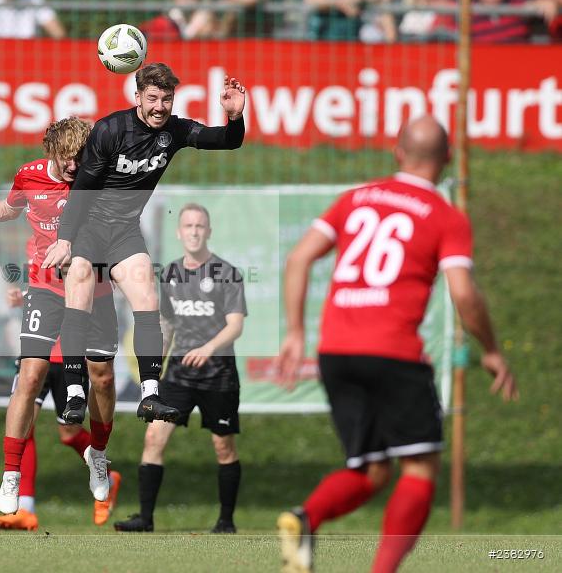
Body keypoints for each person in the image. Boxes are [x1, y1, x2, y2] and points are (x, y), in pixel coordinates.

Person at [274, 115, 518, 573]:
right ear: (448, 159)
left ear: (397, 152)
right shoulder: (446, 215)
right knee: (420, 468)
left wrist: (294, 332)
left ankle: (305, 518)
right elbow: (463, 292)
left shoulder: (355, 199)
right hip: (394, 352)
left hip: (337, 352)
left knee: (371, 469)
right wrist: (491, 348)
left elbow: (299, 257)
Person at [41, 64, 245, 507]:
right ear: (138, 96)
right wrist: (66, 240)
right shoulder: (110, 130)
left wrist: (234, 117)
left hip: (125, 232)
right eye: (152, 98)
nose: (159, 107)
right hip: (89, 228)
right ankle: (75, 392)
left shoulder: (174, 130)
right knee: (78, 286)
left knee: (147, 298)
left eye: (166, 99)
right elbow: (85, 188)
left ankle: (151, 395)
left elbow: (227, 141)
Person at [0, 117, 120, 517]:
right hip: (44, 289)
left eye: (81, 158)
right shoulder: (29, 175)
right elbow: (10, 209)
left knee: (103, 378)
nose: (75, 166)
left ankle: (99, 454)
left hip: (96, 289)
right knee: (29, 375)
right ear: (51, 153)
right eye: (67, 159)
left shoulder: (97, 180)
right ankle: (11, 474)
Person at [114, 203, 246, 534]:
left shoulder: (227, 273)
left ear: (209, 231)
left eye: (200, 226)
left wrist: (209, 348)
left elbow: (235, 325)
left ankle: (226, 521)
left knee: (223, 446)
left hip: (219, 374)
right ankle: (144, 519)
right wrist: (152, 372)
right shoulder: (171, 273)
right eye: (188, 226)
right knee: (154, 438)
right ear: (179, 232)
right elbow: (167, 324)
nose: (194, 231)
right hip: (179, 375)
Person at [0, 295, 122, 530]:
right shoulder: (35, 258)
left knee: (69, 433)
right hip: (36, 354)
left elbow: (89, 285)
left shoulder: (83, 261)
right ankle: (25, 508)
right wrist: (23, 295)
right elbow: (39, 283)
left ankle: (108, 477)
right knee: (23, 425)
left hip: (69, 360)